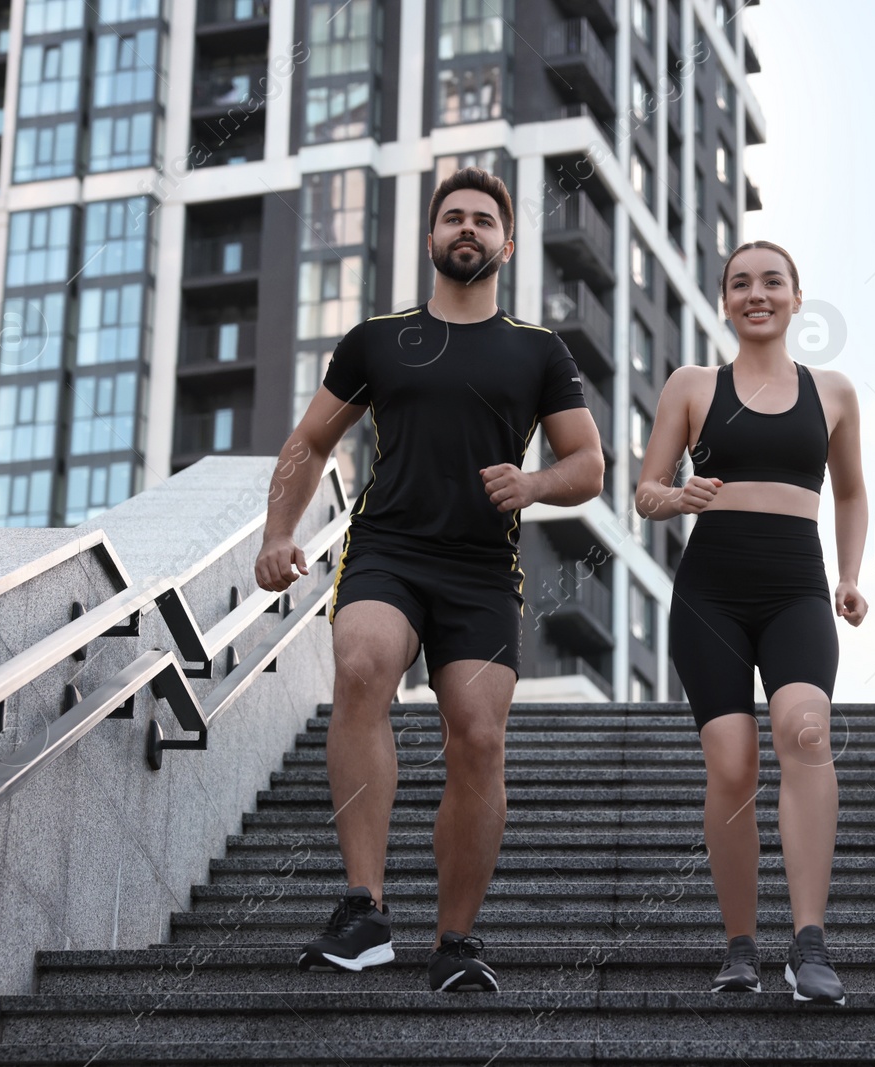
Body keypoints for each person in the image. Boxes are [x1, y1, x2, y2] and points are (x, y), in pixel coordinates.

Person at [255, 167, 604, 992]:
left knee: (479, 737)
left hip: (483, 568)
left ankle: (455, 938)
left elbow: (588, 462)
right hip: (389, 548)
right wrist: (278, 531)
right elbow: (309, 442)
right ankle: (365, 909)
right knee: (364, 664)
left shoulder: (537, 350)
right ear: (432, 238)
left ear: (507, 245)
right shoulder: (378, 339)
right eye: (454, 218)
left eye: (484, 220)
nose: (468, 229)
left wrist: (535, 484)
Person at [634, 240, 868, 1006]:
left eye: (773, 281)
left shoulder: (832, 392)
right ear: (724, 300)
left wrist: (850, 576)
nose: (756, 293)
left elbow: (850, 493)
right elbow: (644, 490)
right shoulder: (692, 385)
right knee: (732, 763)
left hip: (797, 589)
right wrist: (677, 497)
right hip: (713, 594)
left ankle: (809, 943)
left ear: (797, 297)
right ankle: (741, 944)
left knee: (806, 729)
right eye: (741, 283)